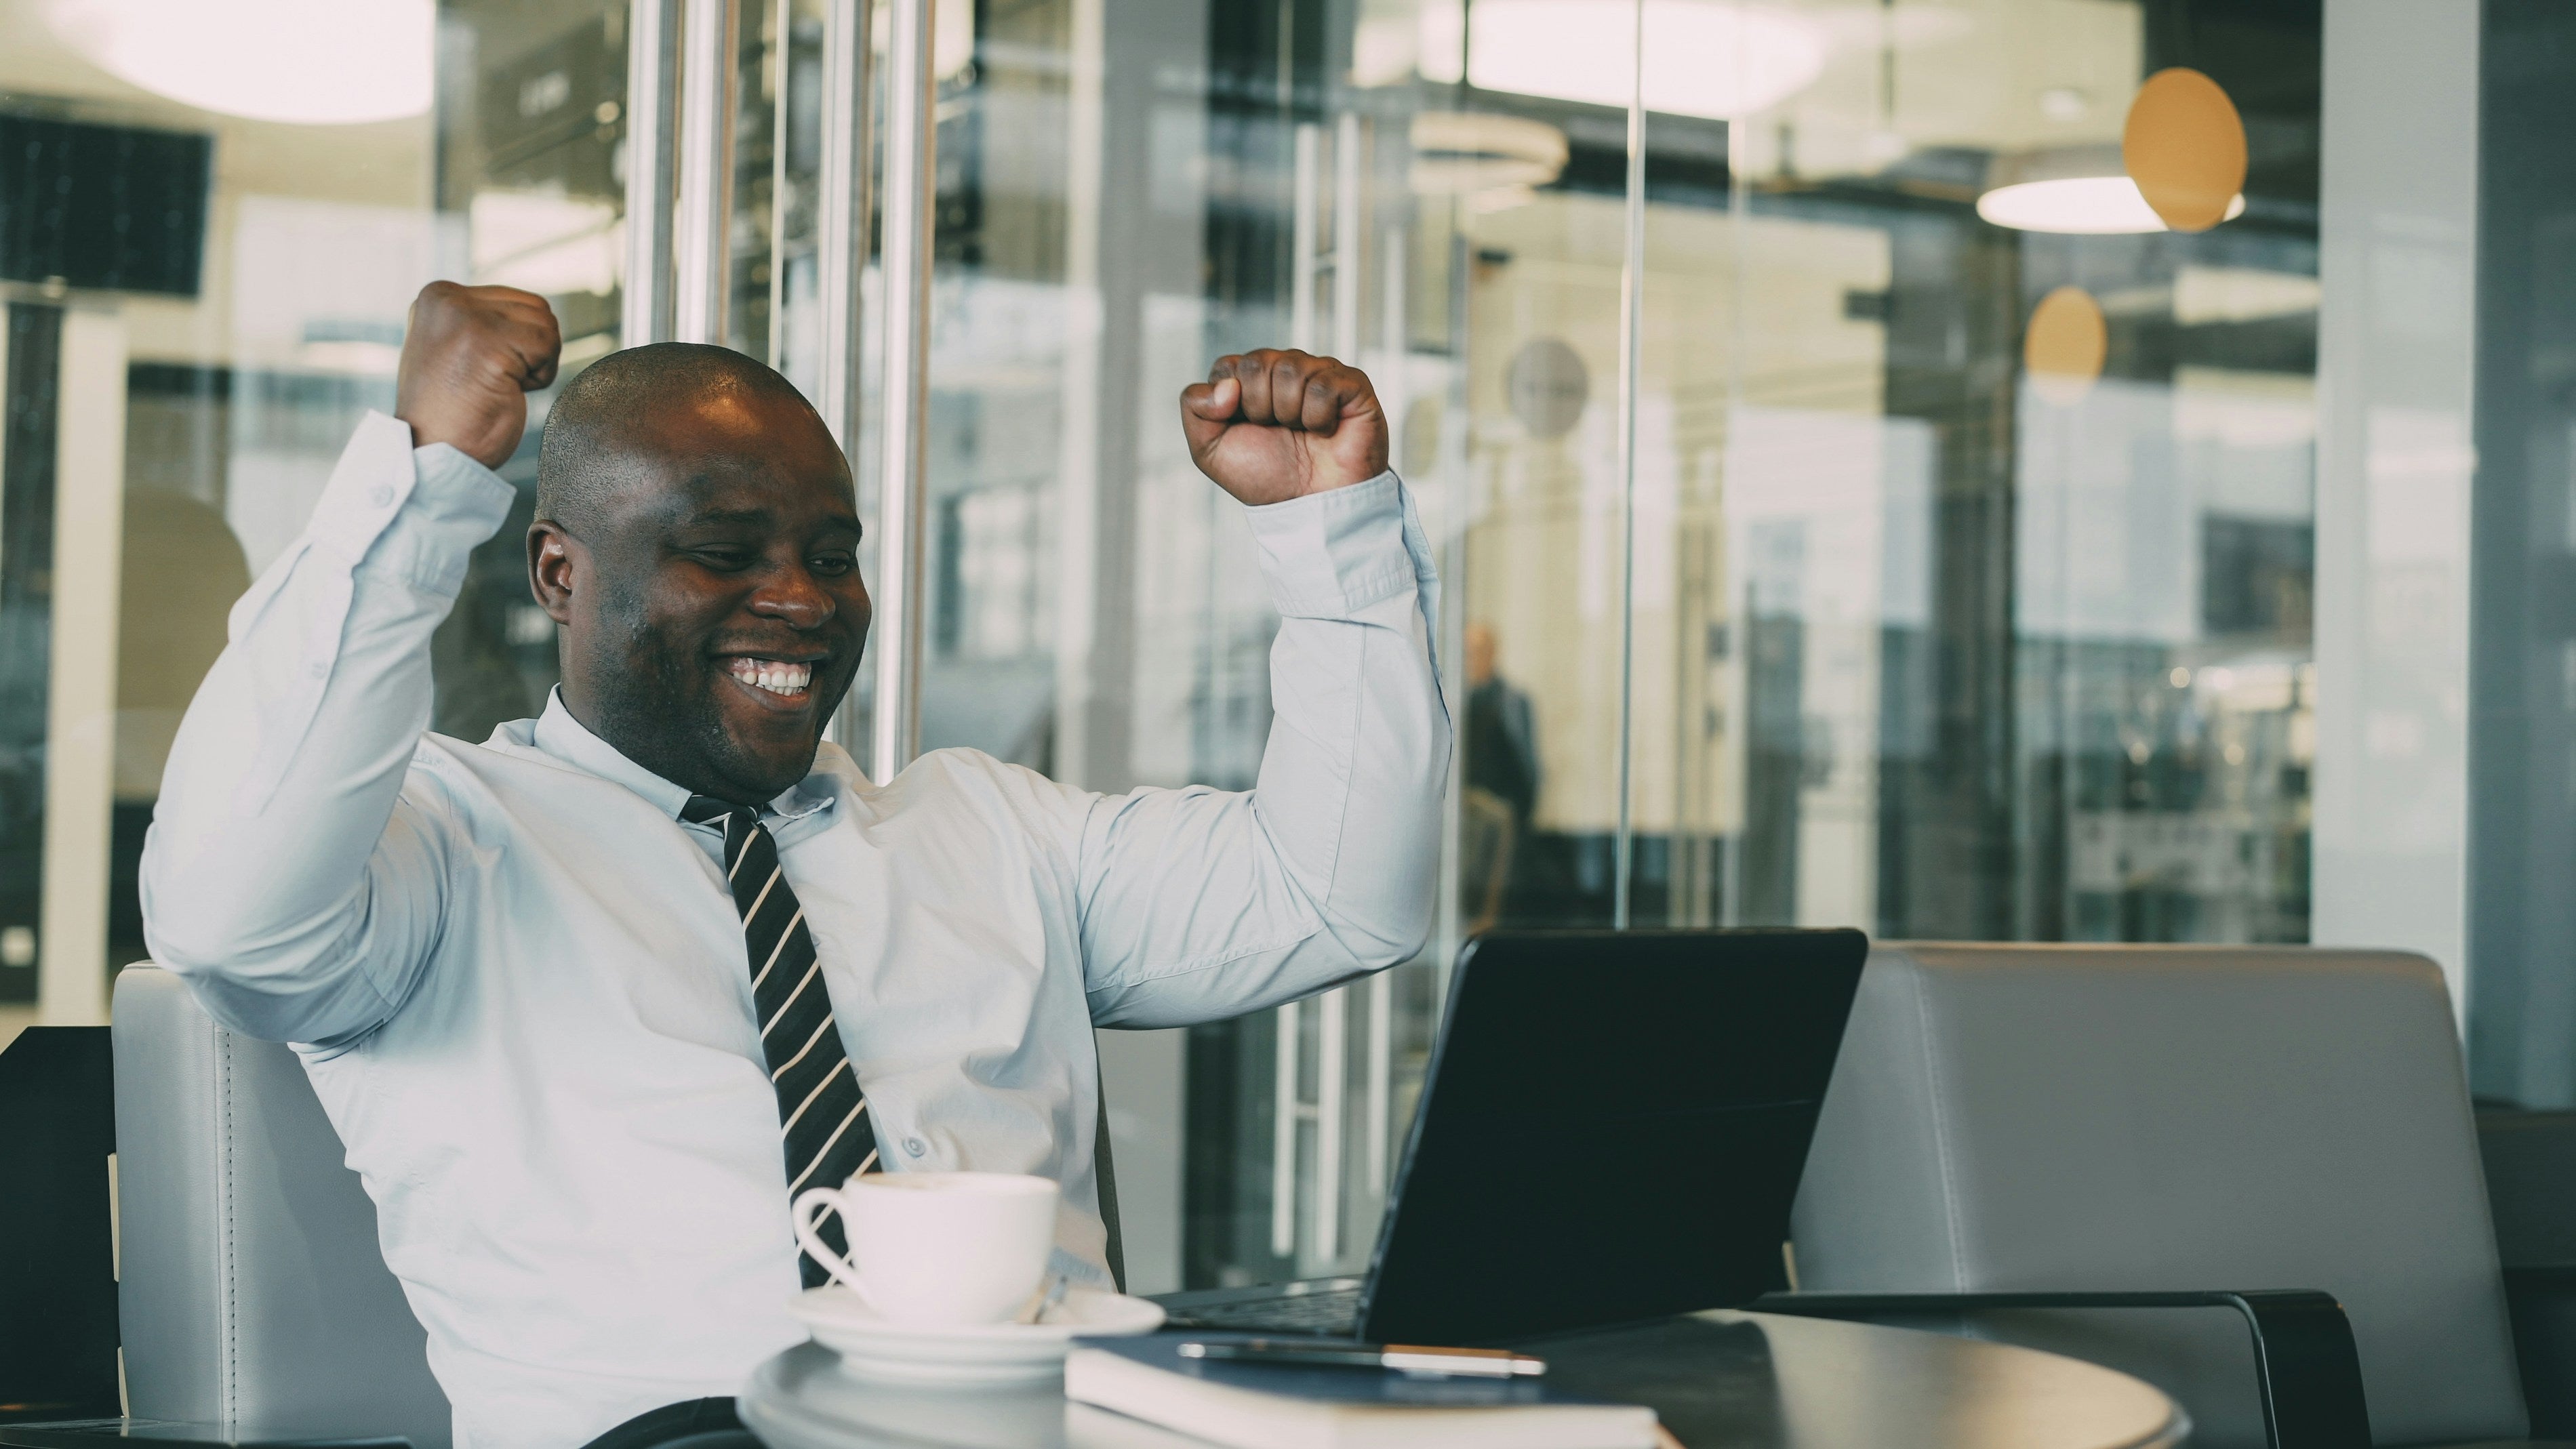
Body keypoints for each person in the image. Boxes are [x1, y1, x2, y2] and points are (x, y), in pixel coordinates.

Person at [139, 283, 1447, 1449]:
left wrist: (1329, 528)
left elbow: (1338, 894)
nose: (805, 600)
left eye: (833, 558)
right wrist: (426, 481)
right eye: (724, 552)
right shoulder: (444, 846)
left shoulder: (995, 832)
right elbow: (227, 918)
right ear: (559, 573)